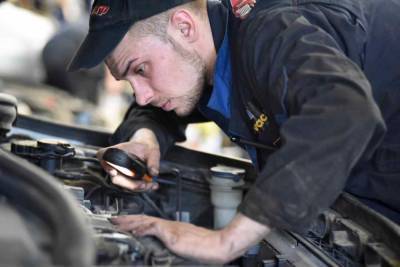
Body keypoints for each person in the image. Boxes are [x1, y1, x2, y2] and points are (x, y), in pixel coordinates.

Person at [68, 0, 400, 263]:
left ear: (184, 27)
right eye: (130, 81)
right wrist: (145, 138)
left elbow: (344, 112)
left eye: (141, 70)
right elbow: (158, 108)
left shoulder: (271, 33)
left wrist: (226, 241)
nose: (140, 94)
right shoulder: (216, 51)